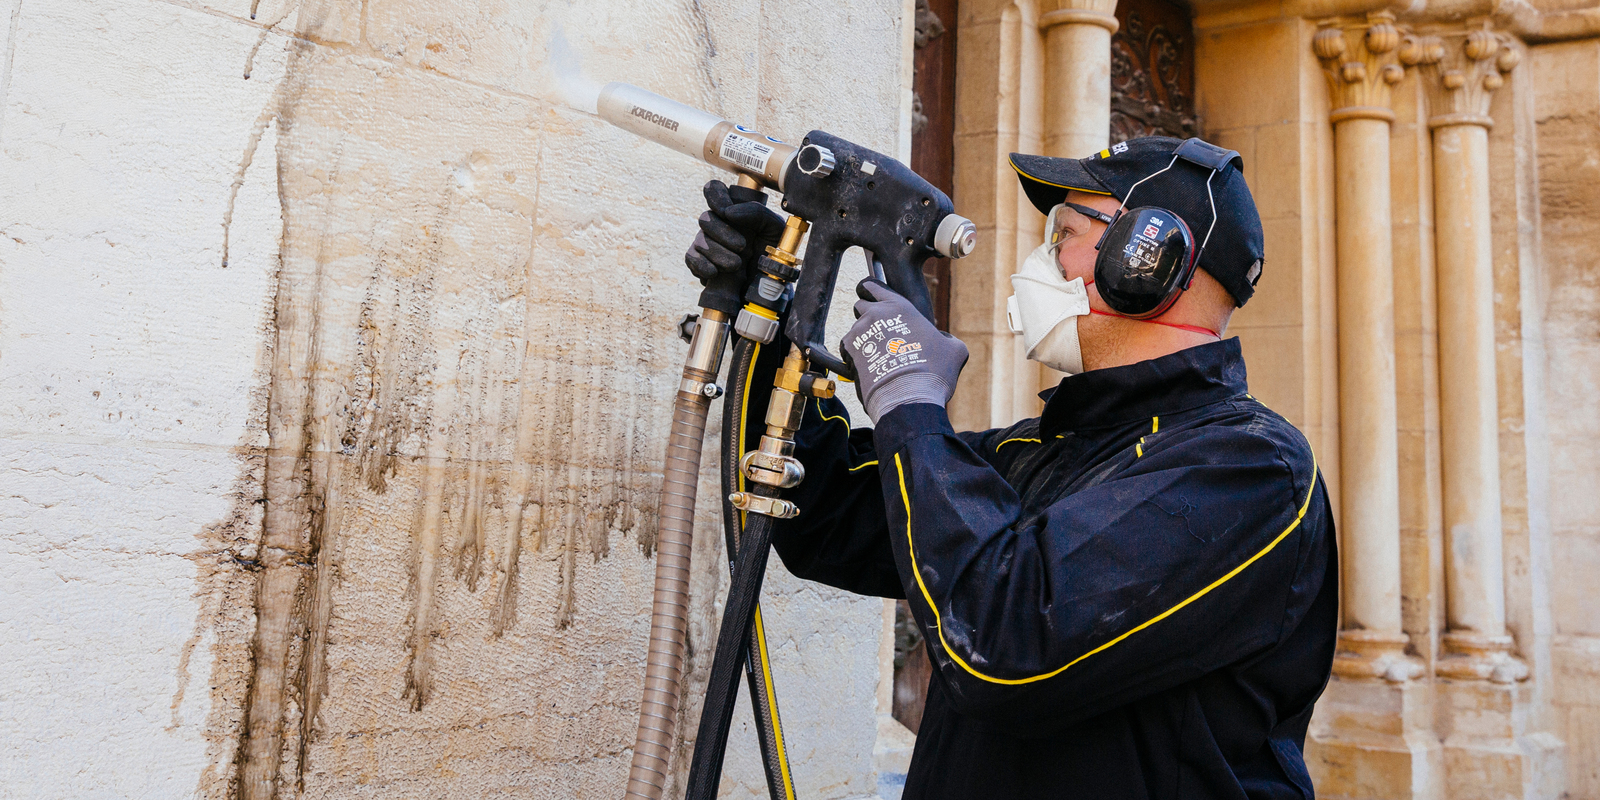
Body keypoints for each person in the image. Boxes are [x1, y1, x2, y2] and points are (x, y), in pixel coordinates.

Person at [685, 136, 1337, 800]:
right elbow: (826, 517)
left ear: (1148, 259)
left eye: (1067, 233)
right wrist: (770, 308)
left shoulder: (1250, 472)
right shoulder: (1048, 450)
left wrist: (911, 404)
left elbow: (1005, 646)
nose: (1044, 258)